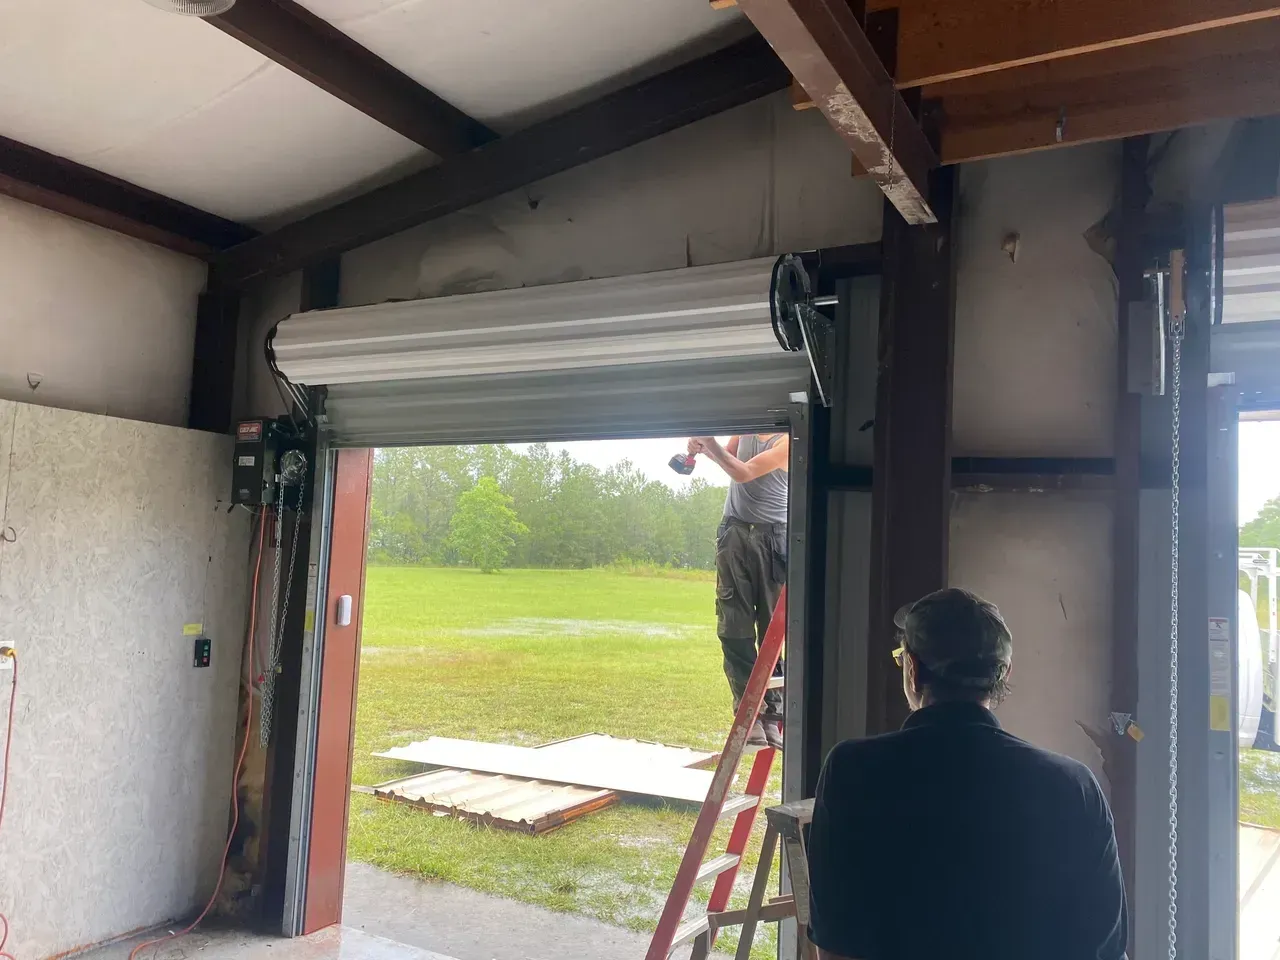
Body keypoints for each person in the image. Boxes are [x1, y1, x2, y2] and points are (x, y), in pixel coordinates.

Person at [807, 588, 1128, 960]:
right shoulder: (1074, 787)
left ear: (911, 669)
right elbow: (1106, 952)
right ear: (1004, 673)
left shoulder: (852, 772)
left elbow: (835, 949)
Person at [687, 434, 789, 750]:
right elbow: (729, 459)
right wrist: (704, 449)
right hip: (734, 532)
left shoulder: (788, 438)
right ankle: (750, 715)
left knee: (771, 632)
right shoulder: (744, 431)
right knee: (734, 629)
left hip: (774, 538)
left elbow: (743, 472)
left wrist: (711, 443)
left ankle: (772, 714)